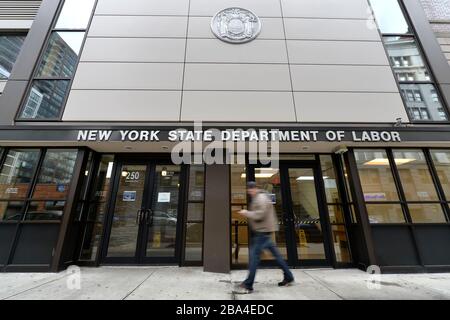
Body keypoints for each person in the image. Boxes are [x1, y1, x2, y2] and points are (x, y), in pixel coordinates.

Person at [236, 181, 294, 293]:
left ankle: (248, 284)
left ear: (254, 188)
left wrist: (246, 213)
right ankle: (289, 276)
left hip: (262, 233)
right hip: (263, 232)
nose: (250, 192)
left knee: (254, 259)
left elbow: (260, 214)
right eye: (248, 190)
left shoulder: (261, 198)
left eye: (250, 190)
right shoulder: (260, 197)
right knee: (277, 256)